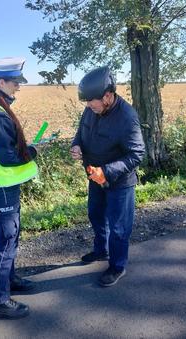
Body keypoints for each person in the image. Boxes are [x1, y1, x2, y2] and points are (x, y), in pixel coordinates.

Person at [70, 66, 145, 287]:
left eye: (91, 101)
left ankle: (117, 266)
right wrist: (77, 145)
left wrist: (108, 171)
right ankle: (101, 250)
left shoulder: (127, 117)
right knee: (95, 214)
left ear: (108, 96)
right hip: (95, 176)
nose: (88, 106)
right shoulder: (91, 110)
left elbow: (137, 154)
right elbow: (81, 131)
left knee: (119, 226)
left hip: (119, 182)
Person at [0, 57, 38, 319]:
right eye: (15, 82)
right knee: (7, 240)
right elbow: (6, 157)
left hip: (4, 185)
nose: (18, 87)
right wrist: (30, 152)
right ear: (1, 82)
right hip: (1, 186)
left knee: (12, 235)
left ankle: (10, 280)